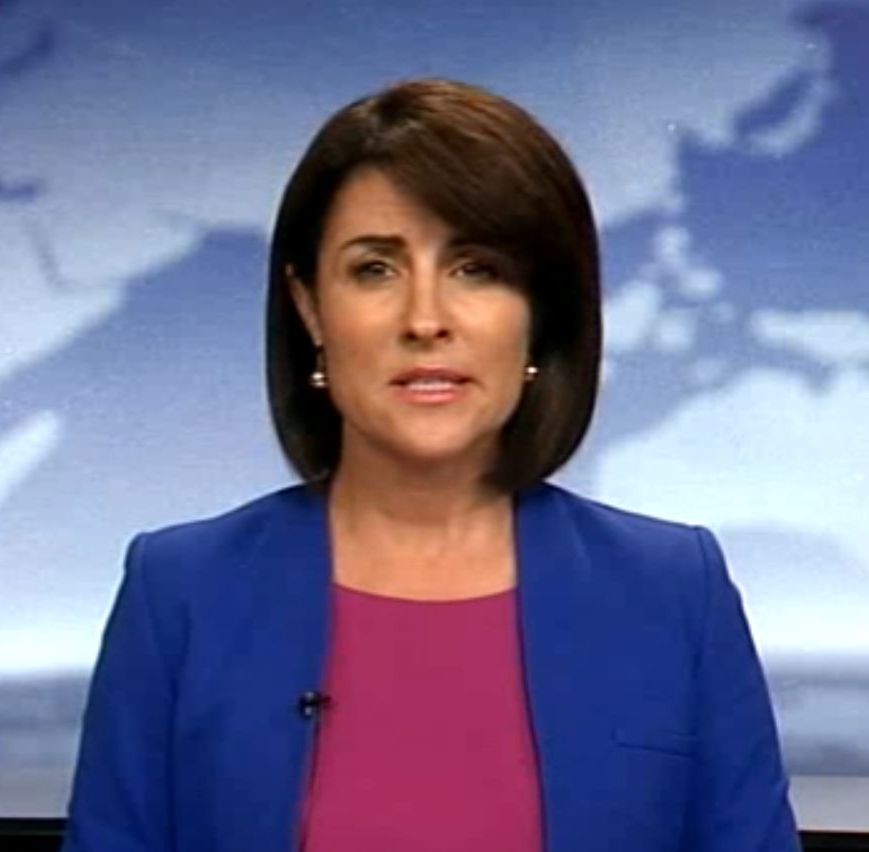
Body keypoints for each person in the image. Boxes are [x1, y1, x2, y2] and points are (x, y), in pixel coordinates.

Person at [60, 79, 799, 852]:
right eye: (375, 269)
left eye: (476, 268)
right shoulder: (181, 591)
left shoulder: (674, 590)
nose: (425, 319)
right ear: (310, 307)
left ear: (539, 313)